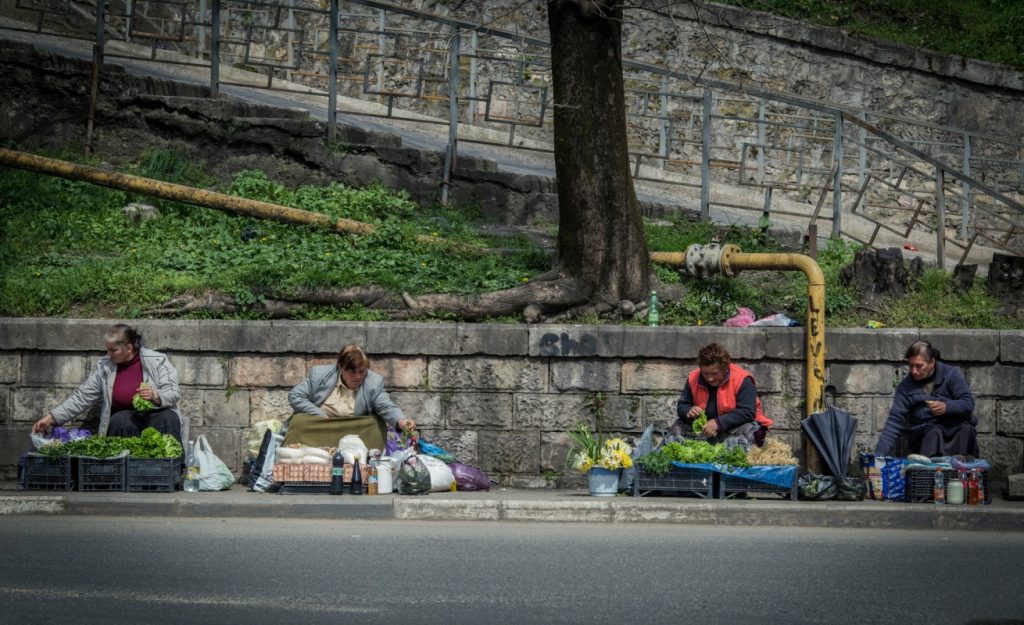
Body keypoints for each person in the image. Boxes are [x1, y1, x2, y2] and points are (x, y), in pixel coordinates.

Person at [31, 323, 183, 444]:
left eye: (113, 350)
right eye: (107, 349)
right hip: (124, 423)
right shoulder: (105, 367)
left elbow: (173, 393)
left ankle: (169, 471)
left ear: (129, 348)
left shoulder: (157, 360)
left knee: (169, 418)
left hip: (155, 416)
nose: (108, 354)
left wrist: (155, 396)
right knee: (120, 420)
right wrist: (50, 419)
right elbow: (82, 397)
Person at [285, 344, 415, 449]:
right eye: (352, 372)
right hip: (321, 425)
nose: (358, 377)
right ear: (341, 368)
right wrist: (320, 415)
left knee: (376, 424)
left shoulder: (373, 382)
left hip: (352, 429)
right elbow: (295, 396)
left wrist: (401, 420)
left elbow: (385, 405)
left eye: (361, 371)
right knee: (298, 421)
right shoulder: (320, 375)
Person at [875, 341, 978, 458]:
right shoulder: (906, 387)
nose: (914, 371)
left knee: (966, 429)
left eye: (919, 366)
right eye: (911, 366)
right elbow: (894, 422)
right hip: (926, 434)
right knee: (935, 431)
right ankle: (931, 472)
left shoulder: (950, 374)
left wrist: (946, 407)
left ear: (932, 362)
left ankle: (963, 468)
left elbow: (968, 403)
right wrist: (878, 457)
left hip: (953, 428)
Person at [670, 342, 773, 446]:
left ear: (725, 368)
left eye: (714, 374)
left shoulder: (742, 379)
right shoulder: (693, 377)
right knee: (677, 427)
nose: (710, 378)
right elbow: (682, 406)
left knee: (748, 432)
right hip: (706, 429)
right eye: (705, 373)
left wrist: (718, 423)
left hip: (735, 428)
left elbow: (748, 412)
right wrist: (689, 411)